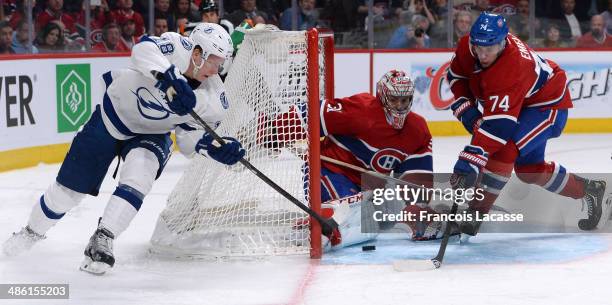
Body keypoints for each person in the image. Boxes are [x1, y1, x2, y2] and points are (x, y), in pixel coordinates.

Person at [2, 23, 245, 275]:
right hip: (111, 118)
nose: (218, 69)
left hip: (152, 134)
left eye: (222, 63)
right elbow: (142, 49)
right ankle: (31, 232)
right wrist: (170, 76)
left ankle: (103, 237)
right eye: (214, 61)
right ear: (197, 53)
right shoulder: (174, 46)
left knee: (140, 176)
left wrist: (212, 147)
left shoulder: (216, 98)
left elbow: (187, 140)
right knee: (67, 194)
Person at [444, 12, 607, 236]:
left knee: (506, 149)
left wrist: (472, 157)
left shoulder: (512, 66)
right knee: (528, 171)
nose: (482, 55)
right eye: (478, 47)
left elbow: (500, 129)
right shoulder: (468, 46)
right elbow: (455, 76)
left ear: (503, 42)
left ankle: (475, 213)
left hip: (546, 105)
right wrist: (466, 108)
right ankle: (589, 190)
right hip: (521, 104)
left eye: (489, 49)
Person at [264, 69, 433, 247]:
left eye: (404, 100)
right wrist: (277, 131)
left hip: (365, 187)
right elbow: (315, 113)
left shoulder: (417, 130)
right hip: (329, 171)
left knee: (371, 222)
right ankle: (314, 227)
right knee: (351, 219)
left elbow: (416, 177)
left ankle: (330, 223)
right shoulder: (361, 110)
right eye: (393, 99)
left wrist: (418, 207)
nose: (399, 106)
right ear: (382, 97)